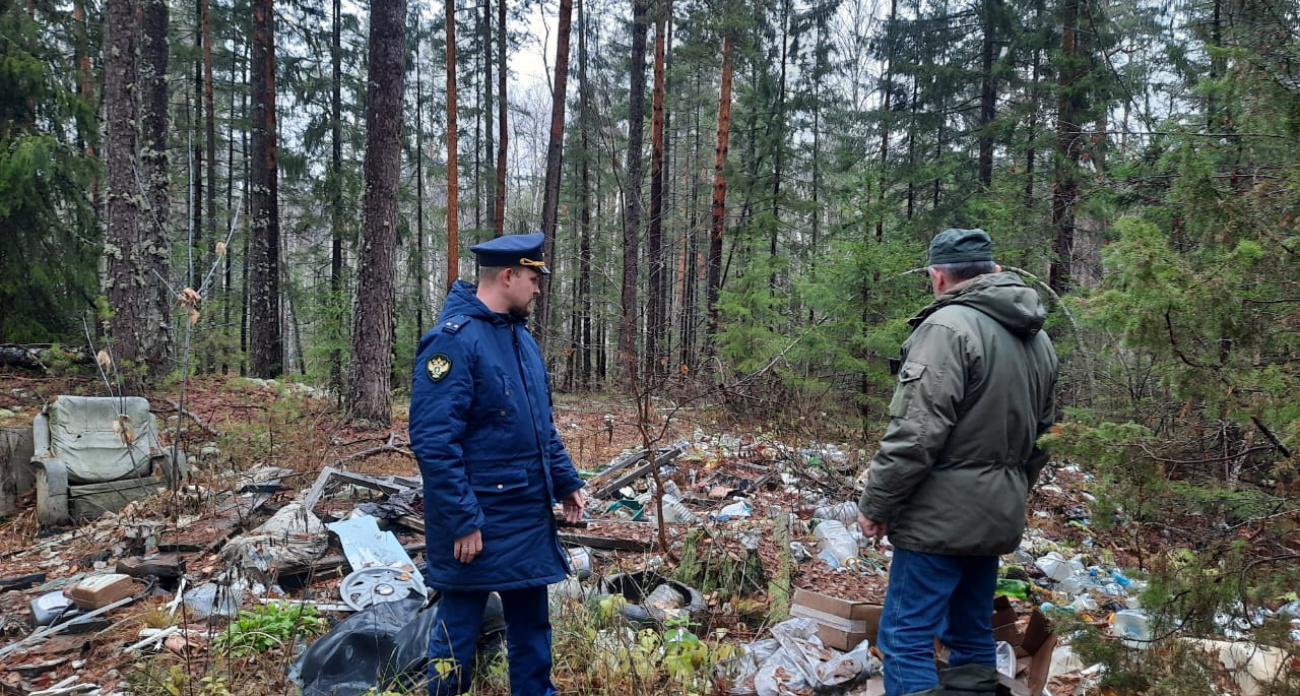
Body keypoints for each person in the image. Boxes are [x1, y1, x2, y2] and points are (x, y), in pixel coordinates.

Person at [856, 228, 1059, 696]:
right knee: (969, 634)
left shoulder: (947, 329)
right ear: (995, 271)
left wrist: (877, 504)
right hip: (995, 515)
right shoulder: (1038, 339)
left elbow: (916, 434)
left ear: (940, 276)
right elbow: (1046, 436)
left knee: (904, 637)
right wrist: (1007, 489)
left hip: (937, 520)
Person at [409, 231, 586, 696]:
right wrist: (464, 520)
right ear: (508, 276)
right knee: (457, 635)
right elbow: (433, 441)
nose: (538, 287)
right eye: (533, 277)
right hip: (476, 523)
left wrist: (565, 479)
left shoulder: (520, 339)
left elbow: (539, 422)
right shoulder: (452, 343)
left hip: (526, 512)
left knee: (533, 630)